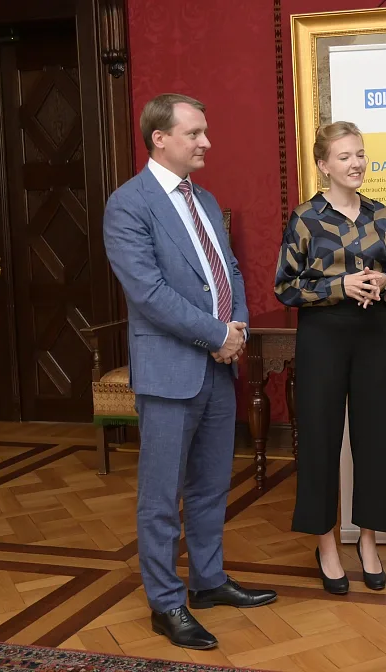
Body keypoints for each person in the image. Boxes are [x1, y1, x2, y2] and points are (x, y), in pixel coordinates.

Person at [103, 93, 276, 651]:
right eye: (195, 133)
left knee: (209, 487)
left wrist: (239, 329)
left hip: (218, 369)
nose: (206, 142)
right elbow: (148, 293)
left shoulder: (202, 198)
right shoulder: (128, 205)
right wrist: (217, 334)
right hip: (171, 372)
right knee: (161, 497)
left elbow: (228, 272)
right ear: (160, 138)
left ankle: (208, 582)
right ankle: (166, 602)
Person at [274, 121, 386, 595]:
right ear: (323, 164)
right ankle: (326, 544)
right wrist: (339, 286)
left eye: (361, 154)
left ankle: (368, 541)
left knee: (374, 439)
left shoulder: (380, 214)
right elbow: (285, 287)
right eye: (346, 156)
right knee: (320, 441)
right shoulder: (306, 218)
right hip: (323, 338)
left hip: (373, 334)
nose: (356, 164)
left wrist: (384, 283)